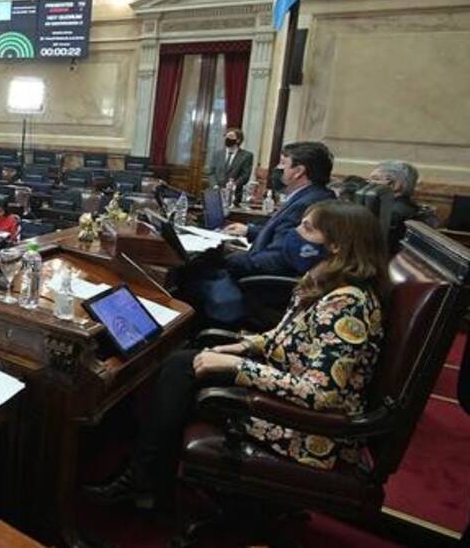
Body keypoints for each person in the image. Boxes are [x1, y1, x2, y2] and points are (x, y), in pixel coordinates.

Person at [84, 201, 388, 509]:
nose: (295, 234)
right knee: (182, 362)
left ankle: (143, 480)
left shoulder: (347, 305)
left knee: (181, 371)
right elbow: (289, 338)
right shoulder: (327, 284)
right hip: (293, 396)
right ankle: (146, 478)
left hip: (311, 431)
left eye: (307, 228)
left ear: (337, 245)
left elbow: (322, 394)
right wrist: (243, 346)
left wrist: (238, 365)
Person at [182, 142, 337, 330]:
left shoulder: (307, 204)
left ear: (298, 172)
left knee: (188, 273)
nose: (278, 169)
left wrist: (229, 258)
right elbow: (284, 235)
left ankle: (188, 336)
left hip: (265, 287)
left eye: (283, 164)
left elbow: (279, 258)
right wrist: (250, 231)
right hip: (268, 275)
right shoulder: (312, 196)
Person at [368, 160, 439, 252]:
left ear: (395, 185)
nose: (368, 184)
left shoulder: (393, 213)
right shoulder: (408, 206)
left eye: (375, 179)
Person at [208, 127, 253, 201]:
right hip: (216, 192)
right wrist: (214, 185)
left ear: (238, 140)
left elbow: (245, 175)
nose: (227, 138)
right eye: (226, 136)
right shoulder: (217, 154)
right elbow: (211, 172)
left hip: (234, 195)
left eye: (230, 137)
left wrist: (234, 184)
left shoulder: (246, 156)